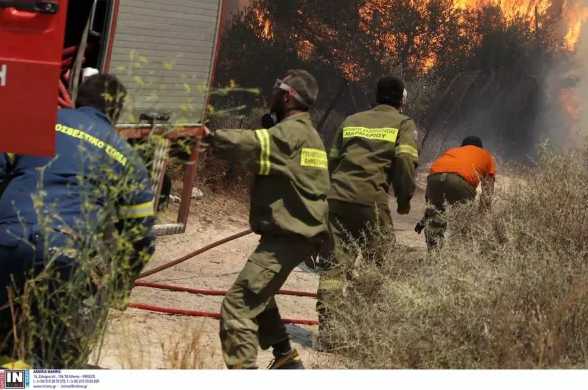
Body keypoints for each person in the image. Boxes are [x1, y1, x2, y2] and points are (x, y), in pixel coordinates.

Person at [0, 74, 155, 369]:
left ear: (76, 98)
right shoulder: (127, 158)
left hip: (4, 237)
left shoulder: (35, 121)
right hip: (64, 256)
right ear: (117, 112)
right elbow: (141, 236)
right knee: (34, 350)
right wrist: (119, 285)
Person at [207, 69, 330, 370]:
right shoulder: (308, 134)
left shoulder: (291, 134)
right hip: (298, 235)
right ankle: (285, 356)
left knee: (238, 305)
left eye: (278, 89)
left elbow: (252, 145)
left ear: (287, 96)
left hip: (289, 237)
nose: (273, 94)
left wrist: (210, 138)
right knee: (261, 291)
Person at [317, 75, 419, 346]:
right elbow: (406, 161)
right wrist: (404, 198)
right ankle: (369, 329)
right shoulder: (404, 123)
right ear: (402, 101)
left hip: (336, 199)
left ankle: (329, 332)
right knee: (382, 266)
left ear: (375, 98)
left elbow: (332, 161)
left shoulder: (351, 120)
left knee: (334, 267)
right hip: (371, 202)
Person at [419, 136, 496, 250]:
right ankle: (457, 257)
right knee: (463, 222)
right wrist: (482, 214)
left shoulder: (452, 151)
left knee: (435, 221)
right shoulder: (486, 155)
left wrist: (428, 213)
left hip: (434, 179)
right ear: (480, 147)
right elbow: (488, 189)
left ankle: (434, 258)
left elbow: (432, 185)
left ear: (462, 145)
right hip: (460, 181)